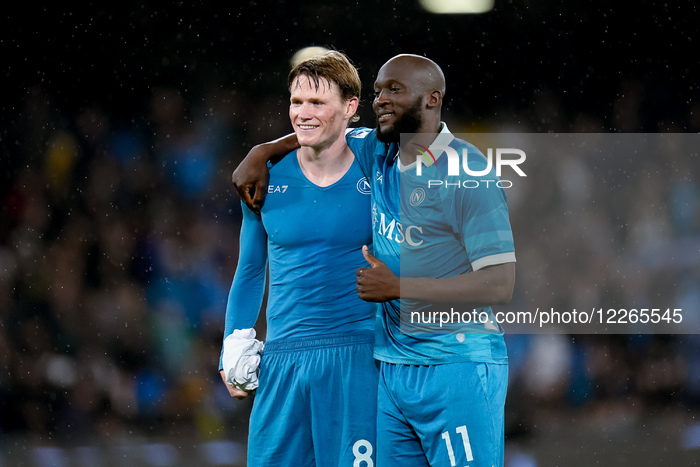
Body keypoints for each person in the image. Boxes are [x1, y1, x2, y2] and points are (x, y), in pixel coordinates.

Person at [233, 54, 516, 467]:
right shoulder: (380, 154)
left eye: (394, 90)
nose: (380, 99)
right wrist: (262, 151)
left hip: (456, 362)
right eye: (379, 90)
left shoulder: (468, 172)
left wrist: (398, 287)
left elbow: (499, 283)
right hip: (393, 370)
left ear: (432, 99)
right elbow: (326, 130)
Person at [219, 50, 379, 467]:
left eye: (317, 102)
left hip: (359, 358)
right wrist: (233, 342)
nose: (303, 113)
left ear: (350, 107)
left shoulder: (377, 167)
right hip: (282, 361)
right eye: (296, 101)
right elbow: (250, 269)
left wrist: (264, 146)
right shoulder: (263, 178)